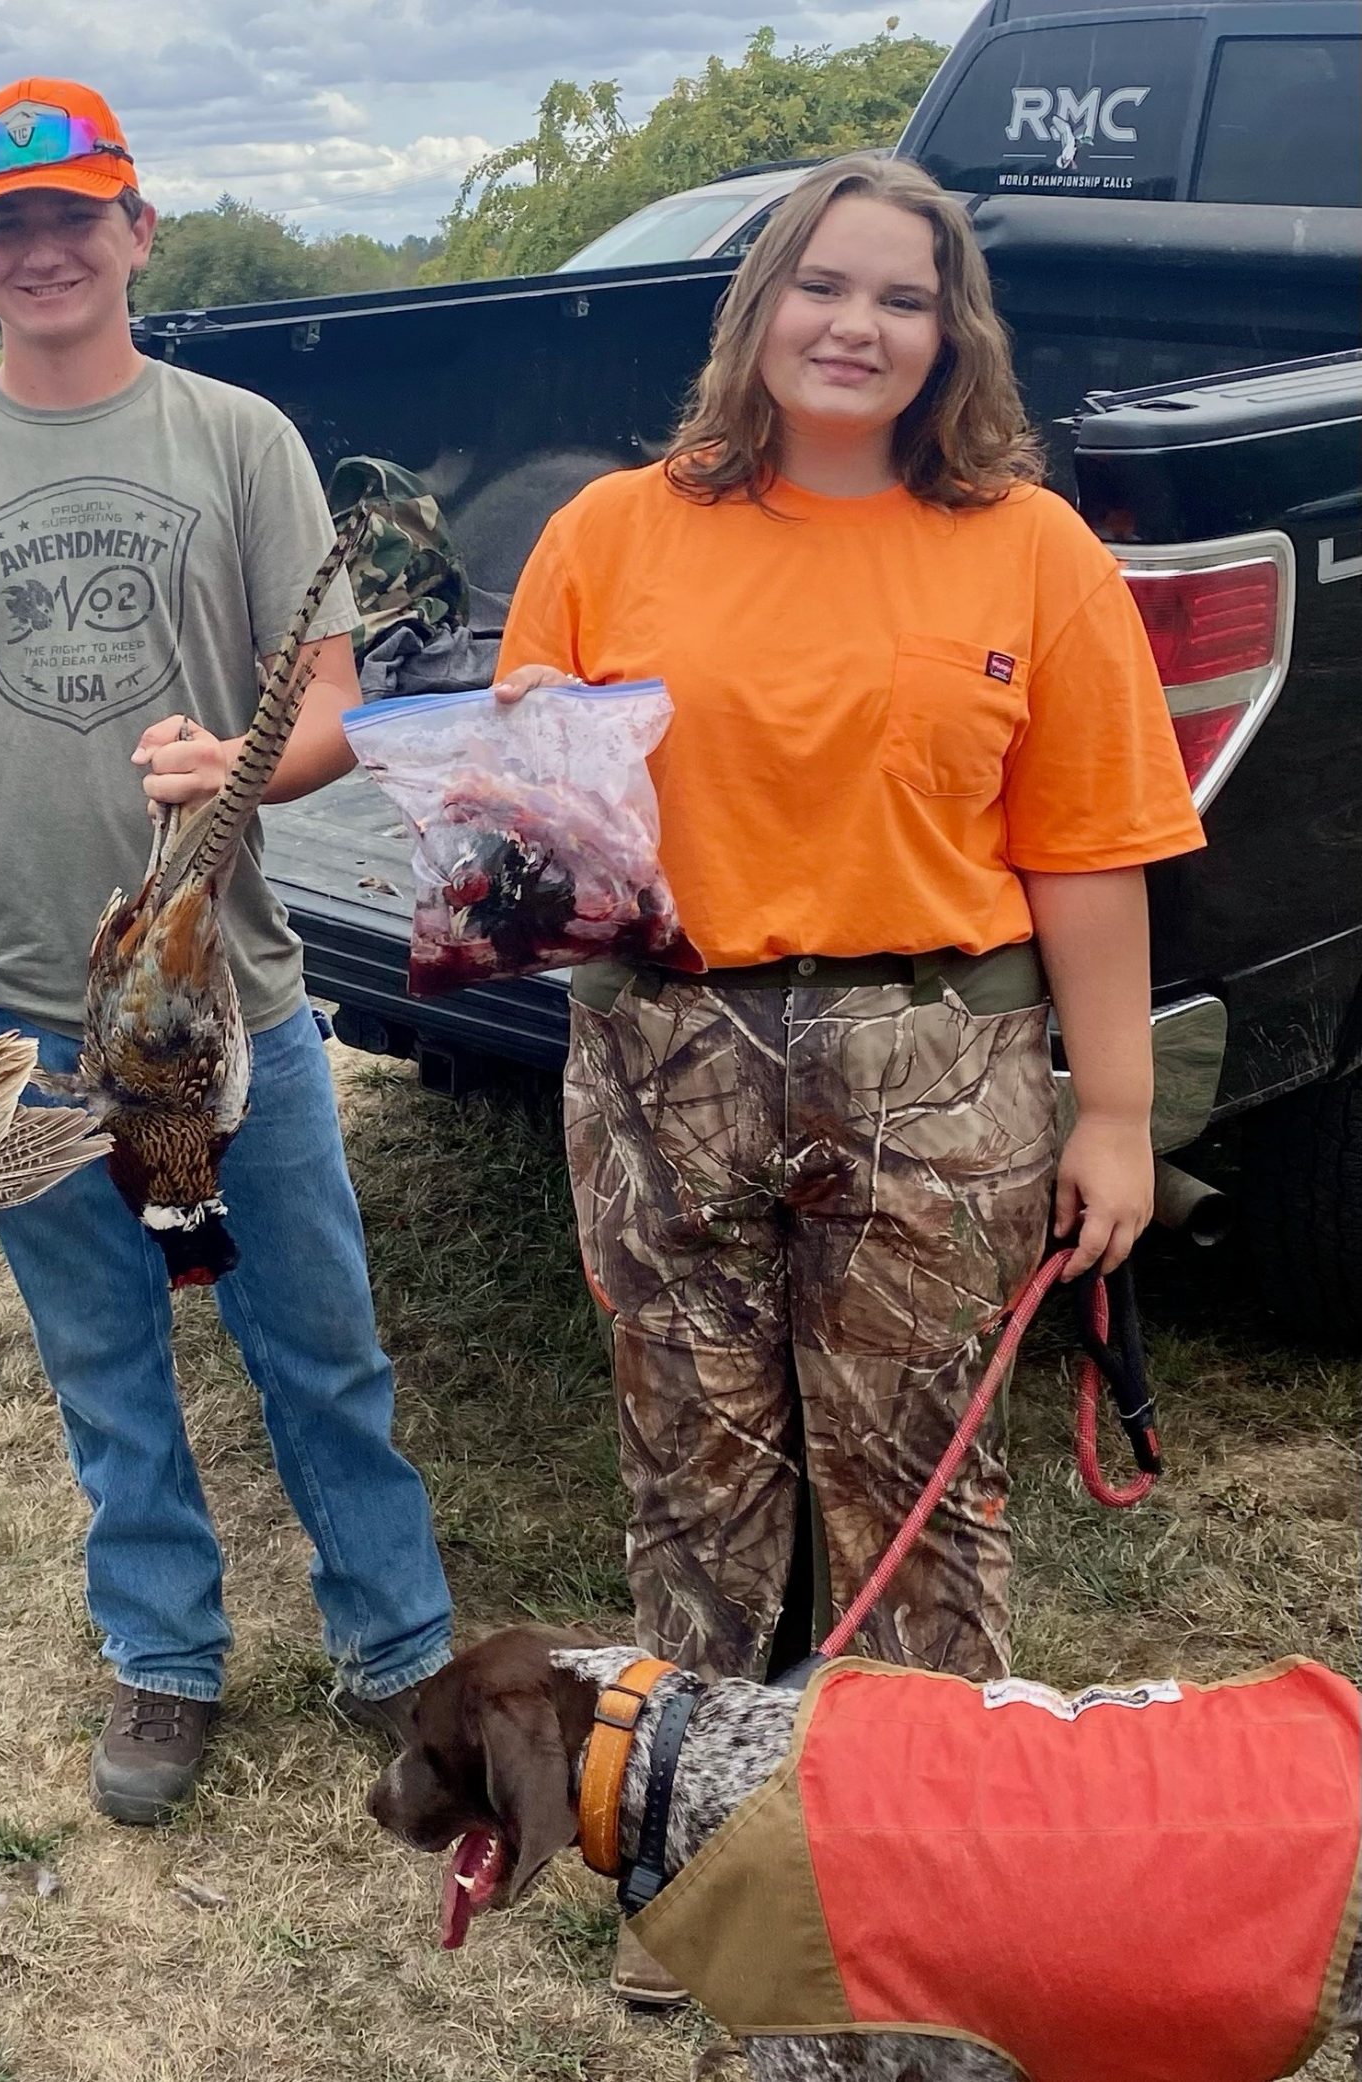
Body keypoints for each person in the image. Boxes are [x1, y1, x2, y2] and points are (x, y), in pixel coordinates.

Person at [492, 154, 1202, 1999]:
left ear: (952, 334)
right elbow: (527, 848)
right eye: (823, 286)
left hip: (935, 1058)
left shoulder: (1029, 547)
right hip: (662, 1057)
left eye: (903, 296)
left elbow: (1091, 854)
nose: (858, 325)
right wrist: (498, 812)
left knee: (918, 1495)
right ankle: (703, 1876)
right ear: (758, 311)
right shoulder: (611, 537)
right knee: (693, 1479)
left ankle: (927, 1880)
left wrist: (1112, 1111)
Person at [0, 80, 453, 1826]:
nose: (45, 248)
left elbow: (329, 703)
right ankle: (163, 1656)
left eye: (77, 215)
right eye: (6, 226)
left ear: (135, 231)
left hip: (221, 998)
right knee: (103, 1357)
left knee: (318, 1335)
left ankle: (401, 1648)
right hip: (12, 1009)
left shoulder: (236, 439)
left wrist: (238, 766)